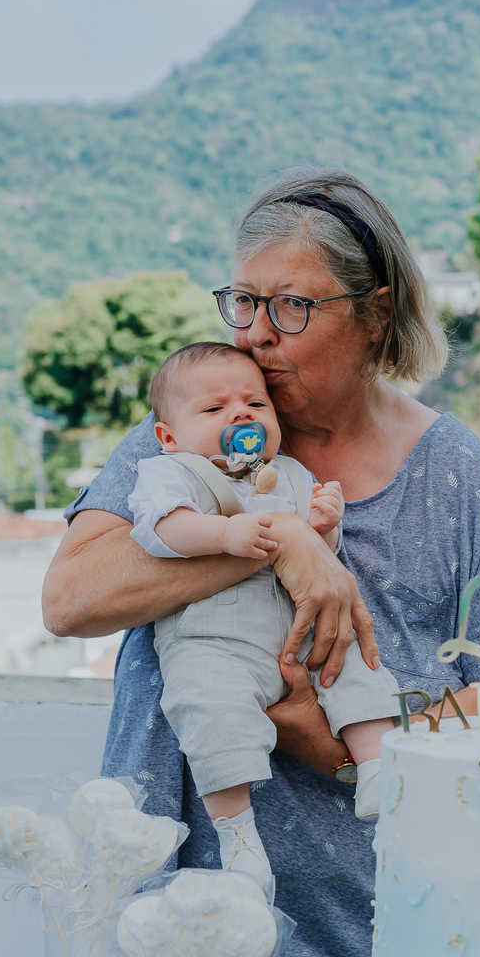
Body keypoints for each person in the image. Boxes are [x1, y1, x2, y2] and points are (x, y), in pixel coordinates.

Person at [44, 168, 480, 957]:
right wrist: (288, 540)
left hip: (367, 936)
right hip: (177, 918)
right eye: (240, 304)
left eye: (289, 308)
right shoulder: (190, 429)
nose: (256, 337)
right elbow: (73, 597)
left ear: (374, 312)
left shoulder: (455, 473)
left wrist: (337, 744)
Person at [126, 339, 401, 895]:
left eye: (256, 404)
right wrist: (225, 532)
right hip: (213, 638)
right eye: (214, 409)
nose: (240, 415)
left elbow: (322, 559)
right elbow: (161, 530)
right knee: (211, 716)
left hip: (295, 627)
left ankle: (379, 768)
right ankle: (240, 839)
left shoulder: (293, 475)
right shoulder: (173, 473)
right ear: (169, 434)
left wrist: (325, 525)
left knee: (357, 666)